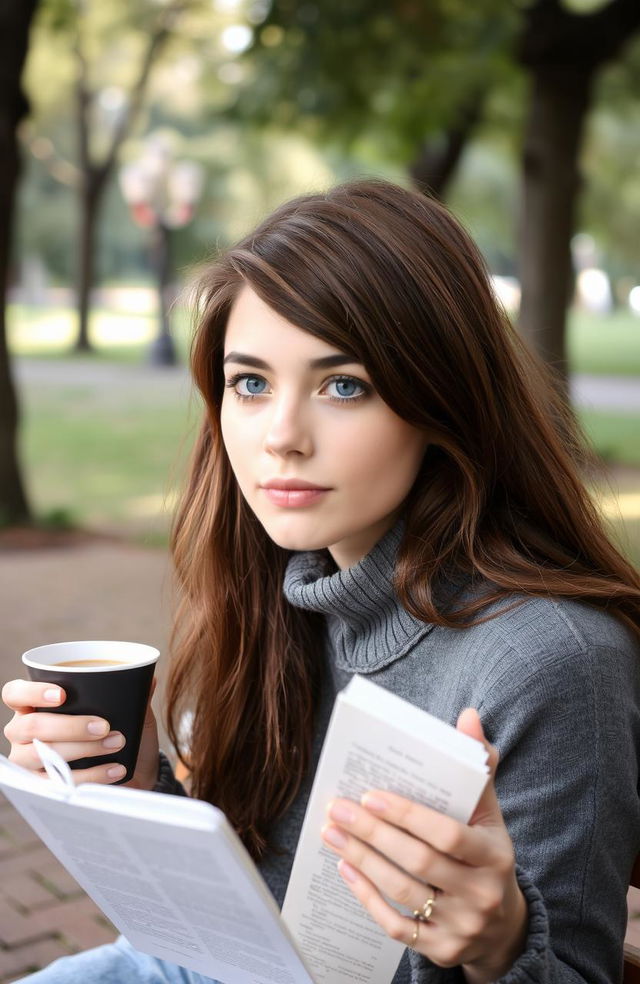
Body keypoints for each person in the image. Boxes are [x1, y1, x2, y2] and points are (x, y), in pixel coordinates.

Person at [3, 178, 640, 984]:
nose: (281, 438)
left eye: (345, 385)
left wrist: (499, 943)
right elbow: (246, 905)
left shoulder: (552, 659)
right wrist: (133, 784)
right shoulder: (280, 581)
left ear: (440, 399)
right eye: (251, 383)